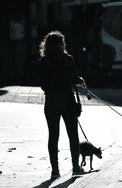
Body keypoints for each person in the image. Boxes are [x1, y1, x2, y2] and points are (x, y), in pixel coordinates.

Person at [38, 31, 85, 179]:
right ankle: (75, 167)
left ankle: (55, 171)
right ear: (61, 44)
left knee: (53, 136)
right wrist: (80, 80)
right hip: (67, 100)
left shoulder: (43, 62)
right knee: (73, 135)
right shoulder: (68, 59)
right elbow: (74, 79)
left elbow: (43, 85)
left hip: (51, 101)